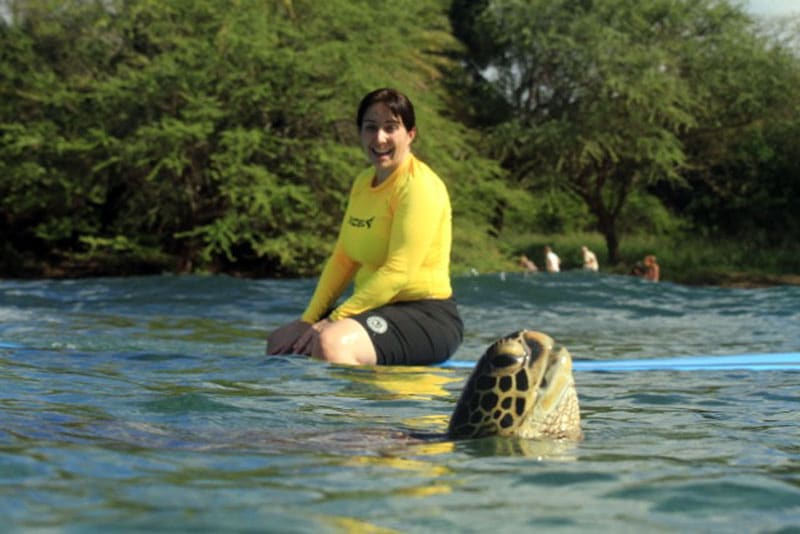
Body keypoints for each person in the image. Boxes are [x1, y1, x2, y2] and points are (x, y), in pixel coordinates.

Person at [266, 88, 463, 366]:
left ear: (410, 134)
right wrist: (308, 320)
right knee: (280, 343)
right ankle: (312, 409)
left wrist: (334, 320)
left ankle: (359, 410)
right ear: (359, 133)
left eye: (390, 128)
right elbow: (343, 259)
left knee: (331, 343)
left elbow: (399, 272)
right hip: (375, 309)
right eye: (371, 128)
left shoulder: (419, 187)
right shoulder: (362, 183)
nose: (379, 138)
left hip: (427, 315)